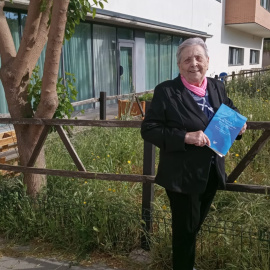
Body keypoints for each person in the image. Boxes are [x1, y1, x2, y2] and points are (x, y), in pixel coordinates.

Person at [141, 37, 247, 270]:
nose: (194, 63)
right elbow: (149, 130)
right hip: (182, 175)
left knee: (191, 228)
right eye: (187, 59)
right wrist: (186, 137)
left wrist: (238, 126)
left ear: (208, 61)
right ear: (179, 65)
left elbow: (229, 108)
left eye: (199, 58)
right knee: (186, 230)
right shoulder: (166, 91)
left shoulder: (216, 86)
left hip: (211, 172)